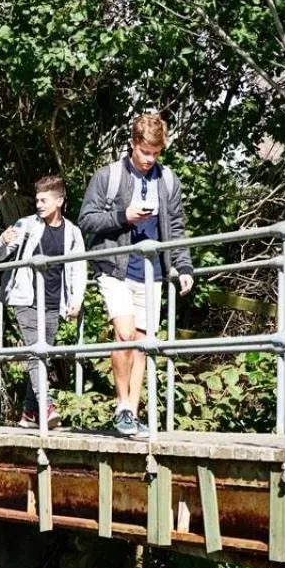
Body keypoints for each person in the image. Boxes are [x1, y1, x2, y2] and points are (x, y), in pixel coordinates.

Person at [77, 114, 195, 439]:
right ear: (133, 144)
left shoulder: (167, 180)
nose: (149, 160)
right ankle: (122, 407)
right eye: (145, 152)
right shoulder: (109, 176)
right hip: (115, 266)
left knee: (142, 343)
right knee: (125, 334)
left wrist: (183, 267)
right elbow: (86, 220)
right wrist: (123, 217)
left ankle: (132, 409)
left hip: (152, 270)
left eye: (155, 154)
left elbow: (176, 228)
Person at [0, 175, 86, 428]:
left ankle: (29, 414)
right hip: (26, 298)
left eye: (44, 200)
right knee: (37, 352)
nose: (39, 205)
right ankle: (45, 407)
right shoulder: (26, 225)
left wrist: (76, 298)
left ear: (59, 201)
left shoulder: (72, 232)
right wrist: (3, 242)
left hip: (54, 301)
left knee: (42, 355)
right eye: (37, 200)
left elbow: (78, 267)